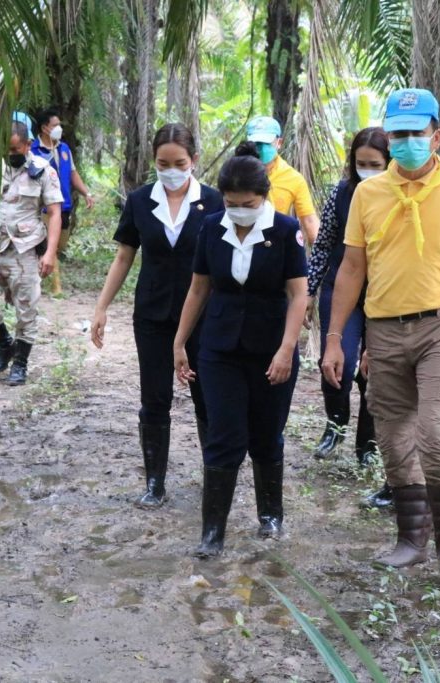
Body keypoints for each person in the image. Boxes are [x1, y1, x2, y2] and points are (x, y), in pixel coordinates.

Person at [321, 89, 440, 578]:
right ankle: (409, 540)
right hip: (384, 330)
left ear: (436, 137)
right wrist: (334, 338)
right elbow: (352, 268)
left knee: (437, 435)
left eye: (416, 133)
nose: (407, 142)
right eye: (398, 133)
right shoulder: (368, 193)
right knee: (394, 438)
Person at [173, 152, 308, 558]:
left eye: (247, 204)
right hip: (220, 347)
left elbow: (298, 294)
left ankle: (271, 515)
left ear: (263, 197)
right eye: (231, 203)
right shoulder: (211, 227)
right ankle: (212, 533)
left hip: (272, 347)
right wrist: (179, 342)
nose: (239, 211)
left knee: (266, 434)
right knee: (224, 435)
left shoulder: (285, 230)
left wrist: (287, 350)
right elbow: (199, 288)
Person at [91, 123, 224, 508]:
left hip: (203, 316)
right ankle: (154, 483)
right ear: (154, 161)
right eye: (163, 164)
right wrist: (101, 307)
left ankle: (215, 476)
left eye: (179, 163)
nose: (171, 171)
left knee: (206, 396)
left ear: (194, 160)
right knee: (154, 397)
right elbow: (124, 256)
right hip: (152, 313)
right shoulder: (139, 201)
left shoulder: (214, 201)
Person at [0, 121, 63, 386]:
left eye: (15, 149)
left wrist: (50, 253)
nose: (10, 154)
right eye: (6, 150)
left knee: (26, 309)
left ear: (28, 145)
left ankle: (20, 363)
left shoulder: (44, 171)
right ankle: (5, 344)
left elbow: (54, 213)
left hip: (24, 250)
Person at [307, 127, 387, 469]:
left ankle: (367, 442)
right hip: (340, 289)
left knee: (375, 370)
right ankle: (335, 424)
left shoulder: (398, 197)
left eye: (375, 165)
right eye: (360, 164)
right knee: (337, 359)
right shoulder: (340, 194)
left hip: (384, 294)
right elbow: (323, 244)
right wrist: (309, 290)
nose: (367, 170)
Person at [244, 116, 320, 242]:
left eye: (266, 143)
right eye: (256, 143)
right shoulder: (236, 172)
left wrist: (321, 250)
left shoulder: (293, 178)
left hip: (274, 243)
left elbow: (309, 220)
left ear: (279, 143)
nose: (261, 148)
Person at [31, 108, 95, 255]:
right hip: (44, 209)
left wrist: (86, 193)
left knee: (58, 248)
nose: (59, 128)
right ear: (44, 128)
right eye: (55, 125)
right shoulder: (33, 150)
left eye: (59, 124)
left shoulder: (64, 148)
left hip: (64, 207)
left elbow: (72, 173)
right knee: (46, 250)